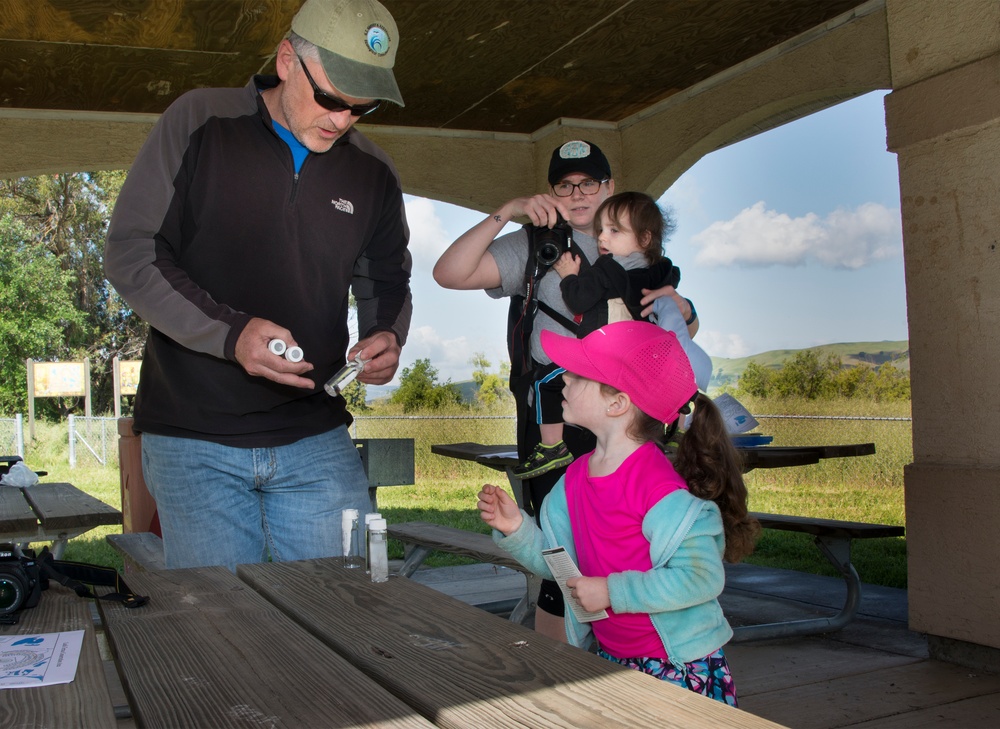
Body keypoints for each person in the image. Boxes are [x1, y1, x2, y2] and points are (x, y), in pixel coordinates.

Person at [103, 0, 412, 571]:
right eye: (330, 98)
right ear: (288, 59)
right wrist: (231, 334)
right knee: (225, 629)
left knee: (343, 611)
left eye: (361, 106)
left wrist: (386, 335)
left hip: (315, 432)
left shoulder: (374, 173)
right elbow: (132, 252)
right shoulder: (199, 121)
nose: (342, 119)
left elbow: (387, 277)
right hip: (192, 434)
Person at [433, 139, 697, 641]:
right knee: (558, 554)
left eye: (588, 183)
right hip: (554, 416)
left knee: (630, 541)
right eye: (564, 184)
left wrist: (687, 311)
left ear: (609, 187)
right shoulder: (537, 245)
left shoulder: (633, 246)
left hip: (627, 418)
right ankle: (562, 678)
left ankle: (635, 654)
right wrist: (507, 212)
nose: (577, 194)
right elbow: (449, 273)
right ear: (552, 190)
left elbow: (672, 326)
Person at [477, 321, 759, 706]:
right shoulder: (574, 479)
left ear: (617, 403)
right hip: (614, 658)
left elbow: (701, 578)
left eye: (578, 376)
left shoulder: (659, 489)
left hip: (679, 669)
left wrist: (611, 591)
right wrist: (516, 529)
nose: (564, 381)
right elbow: (562, 568)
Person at [512, 191, 677, 480]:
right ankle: (673, 433)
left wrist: (569, 275)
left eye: (614, 231)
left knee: (543, 382)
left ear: (645, 238)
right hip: (641, 359)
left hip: (606, 356)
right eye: (601, 230)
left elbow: (579, 300)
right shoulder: (660, 270)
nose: (603, 238)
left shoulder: (610, 267)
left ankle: (552, 447)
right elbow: (672, 280)